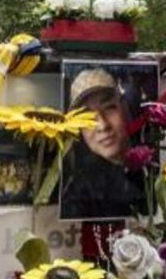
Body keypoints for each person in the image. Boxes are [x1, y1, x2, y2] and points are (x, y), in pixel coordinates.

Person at [59, 67, 147, 225]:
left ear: (126, 108)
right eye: (87, 117)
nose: (102, 125)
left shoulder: (155, 167)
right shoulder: (78, 194)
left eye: (109, 108)